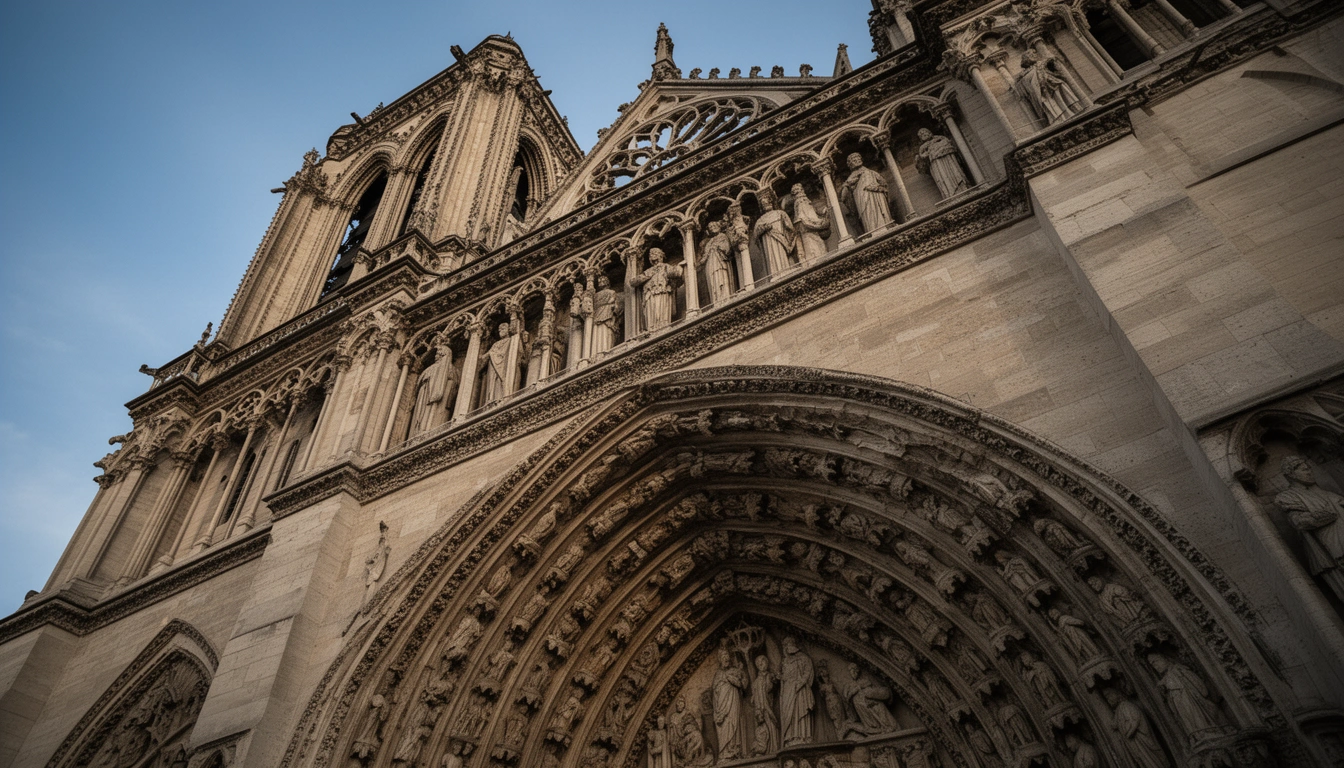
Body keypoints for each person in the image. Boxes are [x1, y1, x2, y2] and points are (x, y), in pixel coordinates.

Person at [1276, 455, 1344, 602]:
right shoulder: (1287, 497)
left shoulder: (1325, 493)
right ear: (1291, 474)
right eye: (1302, 469)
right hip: (1334, 547)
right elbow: (1300, 522)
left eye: (1308, 468)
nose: (1308, 471)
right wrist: (1325, 516)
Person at [1014, 50, 1082, 126]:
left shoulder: (1042, 63)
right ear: (1026, 58)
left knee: (1061, 88)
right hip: (1042, 92)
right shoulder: (1024, 74)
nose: (1034, 55)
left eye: (1035, 53)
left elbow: (1056, 66)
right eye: (1031, 54)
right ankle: (1059, 119)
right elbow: (1023, 86)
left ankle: (1074, 108)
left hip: (1053, 84)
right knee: (1047, 102)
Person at [409, 339, 458, 435]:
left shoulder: (452, 370)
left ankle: (431, 430)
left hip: (439, 402)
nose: (436, 357)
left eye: (439, 355)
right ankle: (419, 431)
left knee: (434, 419)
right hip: (424, 396)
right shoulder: (431, 368)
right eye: (436, 354)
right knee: (421, 417)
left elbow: (453, 389)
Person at [630, 248, 683, 332]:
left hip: (662, 291)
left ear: (660, 255)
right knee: (652, 311)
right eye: (650, 254)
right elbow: (633, 282)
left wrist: (680, 266)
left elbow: (676, 273)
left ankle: (663, 326)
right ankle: (652, 328)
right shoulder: (648, 271)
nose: (651, 255)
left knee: (661, 309)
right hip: (650, 294)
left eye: (654, 253)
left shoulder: (665, 266)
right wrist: (648, 275)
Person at [839, 152, 893, 234]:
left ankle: (885, 224)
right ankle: (872, 230)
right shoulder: (850, 178)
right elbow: (843, 197)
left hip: (876, 195)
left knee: (880, 211)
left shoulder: (871, 172)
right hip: (861, 197)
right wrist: (847, 184)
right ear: (850, 164)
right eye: (854, 160)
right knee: (868, 213)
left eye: (858, 158)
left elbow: (884, 184)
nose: (857, 160)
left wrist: (877, 188)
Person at [712, 649, 748, 758]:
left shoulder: (734, 671)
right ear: (720, 659)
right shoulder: (718, 674)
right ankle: (725, 751)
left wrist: (735, 678)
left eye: (727, 656)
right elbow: (715, 690)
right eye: (723, 657)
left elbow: (743, 684)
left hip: (733, 700)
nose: (726, 658)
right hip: (722, 704)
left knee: (734, 721)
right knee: (725, 725)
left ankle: (735, 749)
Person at [779, 637, 815, 746]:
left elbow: (808, 672)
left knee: (799, 710)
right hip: (788, 690)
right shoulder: (784, 661)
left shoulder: (803, 658)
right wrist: (780, 677)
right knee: (789, 713)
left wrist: (800, 683)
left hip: (799, 690)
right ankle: (790, 737)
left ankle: (802, 736)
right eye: (784, 646)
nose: (786, 648)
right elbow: (785, 676)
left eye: (788, 645)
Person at [915, 128, 968, 200]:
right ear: (921, 138)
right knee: (943, 177)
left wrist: (939, 148)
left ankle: (962, 187)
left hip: (948, 158)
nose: (924, 134)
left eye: (925, 132)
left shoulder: (940, 138)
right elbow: (922, 155)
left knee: (955, 172)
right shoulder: (923, 147)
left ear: (929, 132)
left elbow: (948, 143)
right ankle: (949, 193)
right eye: (922, 135)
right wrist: (928, 153)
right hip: (936, 163)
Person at [753, 191, 796, 276]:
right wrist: (762, 228)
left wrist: (789, 242)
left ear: (772, 202)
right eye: (764, 204)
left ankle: (786, 268)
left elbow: (790, 228)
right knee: (772, 258)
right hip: (769, 244)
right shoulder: (760, 220)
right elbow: (756, 236)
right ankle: (775, 274)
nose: (767, 205)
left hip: (781, 240)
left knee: (782, 257)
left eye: (768, 202)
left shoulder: (779, 213)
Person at [790, 183, 830, 262]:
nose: (801, 191)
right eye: (798, 190)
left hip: (813, 230)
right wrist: (820, 223)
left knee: (820, 247)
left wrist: (823, 213)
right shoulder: (800, 202)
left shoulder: (805, 200)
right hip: (808, 231)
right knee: (814, 250)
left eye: (800, 189)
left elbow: (813, 212)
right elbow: (803, 219)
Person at [700, 220, 735, 303]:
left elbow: (727, 250)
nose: (713, 228)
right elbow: (705, 256)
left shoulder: (723, 236)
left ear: (719, 227)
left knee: (722, 277)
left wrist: (718, 247)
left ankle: (725, 296)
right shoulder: (709, 242)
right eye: (710, 227)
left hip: (720, 262)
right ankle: (717, 299)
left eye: (714, 226)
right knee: (714, 281)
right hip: (711, 264)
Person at [479, 322, 514, 404]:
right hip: (493, 365)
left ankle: (499, 398)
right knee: (492, 382)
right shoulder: (496, 344)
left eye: (503, 329)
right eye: (499, 330)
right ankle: (491, 399)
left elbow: (504, 354)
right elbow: (488, 353)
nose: (500, 331)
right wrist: (482, 356)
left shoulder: (510, 341)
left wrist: (493, 354)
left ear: (508, 330)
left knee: (499, 380)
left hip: (502, 365)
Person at [591, 275, 623, 354]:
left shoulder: (611, 292)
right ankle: (597, 352)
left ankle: (605, 350)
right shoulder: (595, 295)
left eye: (603, 281)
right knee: (597, 332)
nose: (601, 283)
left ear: (607, 282)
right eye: (599, 281)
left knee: (605, 330)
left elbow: (614, 304)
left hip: (607, 313)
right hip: (597, 315)